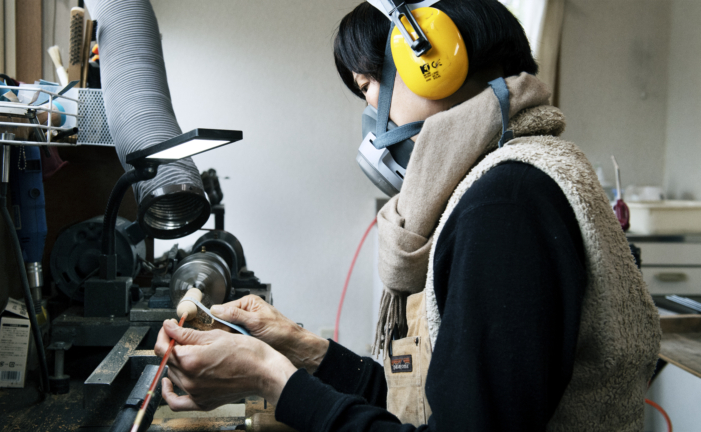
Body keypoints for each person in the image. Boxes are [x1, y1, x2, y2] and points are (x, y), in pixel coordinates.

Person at [154, 1, 661, 431]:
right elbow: (438, 410)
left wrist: (270, 379)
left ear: (432, 63)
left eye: (368, 84)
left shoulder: (506, 203)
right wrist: (301, 350)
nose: (371, 112)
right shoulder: (513, 178)